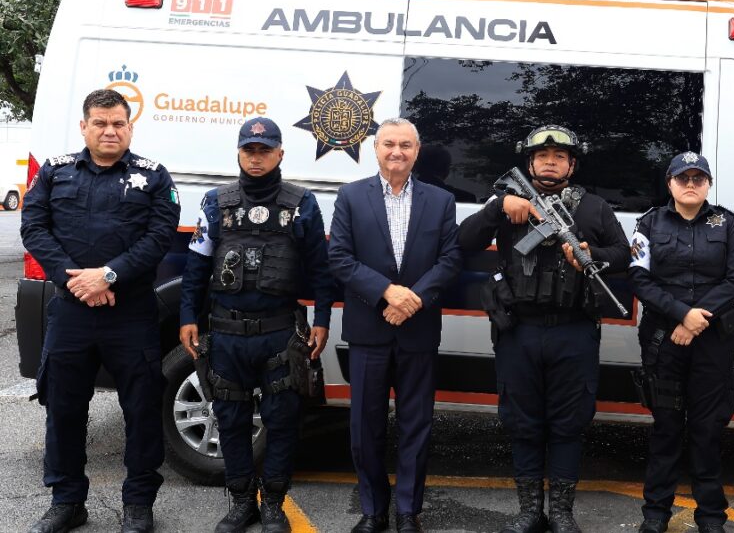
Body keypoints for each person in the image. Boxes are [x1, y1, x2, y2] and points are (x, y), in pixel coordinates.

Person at [21, 88, 180, 533]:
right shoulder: (54, 172)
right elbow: (34, 227)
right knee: (64, 408)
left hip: (130, 313)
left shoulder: (154, 176)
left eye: (118, 123)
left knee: (142, 409)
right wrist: (78, 282)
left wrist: (107, 276)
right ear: (84, 127)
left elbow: (158, 237)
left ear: (130, 126)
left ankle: (138, 504)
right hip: (72, 310)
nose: (110, 130)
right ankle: (67, 501)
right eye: (100, 123)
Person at [457, 124, 629, 533]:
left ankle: (563, 514)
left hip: (574, 330)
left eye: (559, 157)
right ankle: (529, 512)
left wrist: (592, 253)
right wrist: (498, 207)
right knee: (522, 421)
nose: (550, 162)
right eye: (542, 156)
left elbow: (623, 253)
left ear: (572, 163)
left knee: (570, 422)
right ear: (529, 162)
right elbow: (463, 242)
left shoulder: (593, 208)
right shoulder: (508, 202)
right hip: (520, 331)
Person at [178, 116, 336, 533]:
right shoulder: (215, 202)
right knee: (230, 419)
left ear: (280, 153)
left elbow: (321, 270)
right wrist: (187, 318)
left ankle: (273, 505)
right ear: (239, 153)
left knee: (282, 420)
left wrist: (322, 320)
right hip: (227, 332)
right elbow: (196, 266)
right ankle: (241, 502)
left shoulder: (303, 203)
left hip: (280, 332)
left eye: (265, 150)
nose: (256, 157)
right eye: (249, 150)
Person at [328, 118, 462, 533]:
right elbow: (340, 258)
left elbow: (451, 259)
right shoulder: (350, 197)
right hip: (369, 329)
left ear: (417, 151)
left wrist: (413, 299)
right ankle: (373, 510)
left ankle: (408, 511)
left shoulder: (440, 201)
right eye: (389, 144)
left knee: (416, 425)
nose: (397, 152)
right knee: (365, 427)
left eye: (406, 145)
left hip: (418, 330)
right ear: (376, 149)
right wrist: (388, 292)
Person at [628, 152, 734, 533]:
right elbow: (640, 279)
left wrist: (695, 321)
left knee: (707, 430)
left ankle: (711, 517)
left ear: (708, 184)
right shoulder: (649, 223)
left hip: (712, 341)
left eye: (699, 178)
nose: (691, 184)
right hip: (664, 341)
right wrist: (682, 314)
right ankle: (655, 514)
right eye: (683, 178)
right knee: (665, 428)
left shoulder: (727, 223)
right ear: (670, 184)